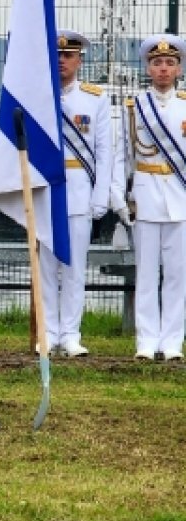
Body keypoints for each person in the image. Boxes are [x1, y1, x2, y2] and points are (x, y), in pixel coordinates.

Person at [36, 30, 113, 357]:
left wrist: (100, 195)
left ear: (79, 60)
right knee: (46, 268)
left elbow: (104, 151)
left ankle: (71, 334)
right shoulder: (38, 95)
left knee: (74, 268)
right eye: (56, 56)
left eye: (68, 56)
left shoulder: (94, 98)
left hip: (79, 190)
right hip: (45, 192)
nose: (61, 61)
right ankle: (49, 332)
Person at [112, 34, 186, 360]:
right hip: (145, 195)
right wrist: (118, 197)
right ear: (148, 67)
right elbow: (122, 157)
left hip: (180, 196)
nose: (164, 70)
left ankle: (171, 343)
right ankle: (145, 340)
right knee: (145, 273)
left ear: (179, 68)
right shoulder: (135, 107)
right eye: (157, 63)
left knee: (176, 275)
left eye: (170, 63)